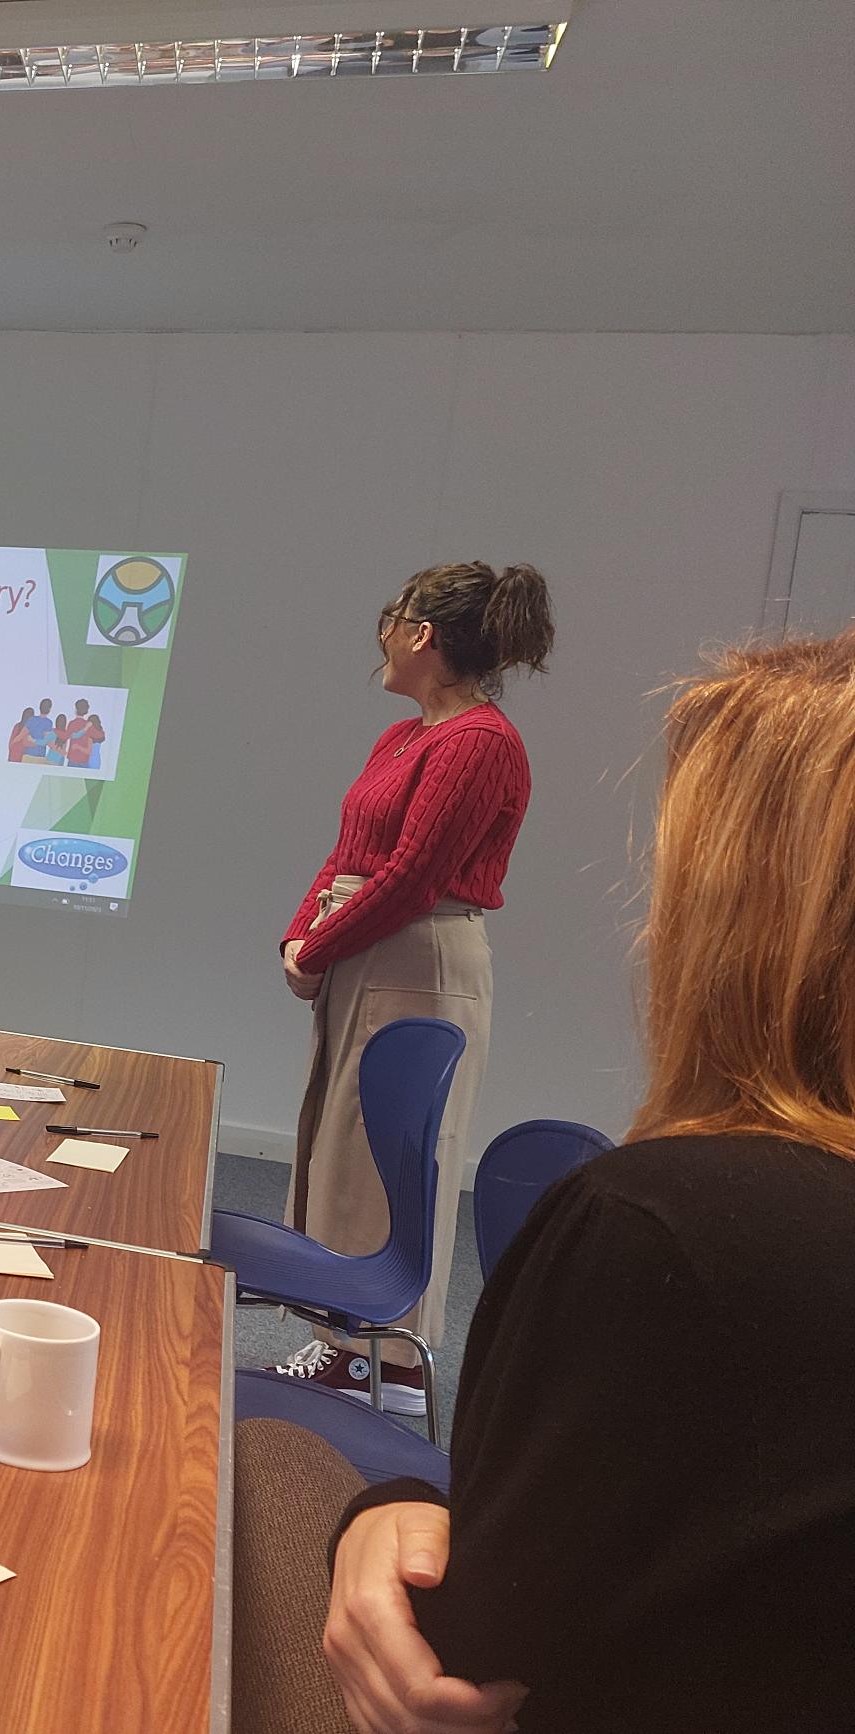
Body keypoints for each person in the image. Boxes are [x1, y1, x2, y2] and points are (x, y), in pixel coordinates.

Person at [311, 630, 855, 1733]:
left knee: (265, 1466)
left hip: (399, 956)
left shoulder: (674, 1231)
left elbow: (466, 1660)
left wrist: (386, 1512)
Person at [270, 563, 554, 1414]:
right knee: (338, 1147)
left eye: (391, 622)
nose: (383, 639)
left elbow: (412, 878)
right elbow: (349, 853)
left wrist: (317, 950)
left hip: (419, 964)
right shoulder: (401, 739)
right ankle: (345, 1347)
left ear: (422, 634)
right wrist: (300, 937)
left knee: (392, 1160)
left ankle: (384, 1363)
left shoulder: (479, 743)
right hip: (369, 953)